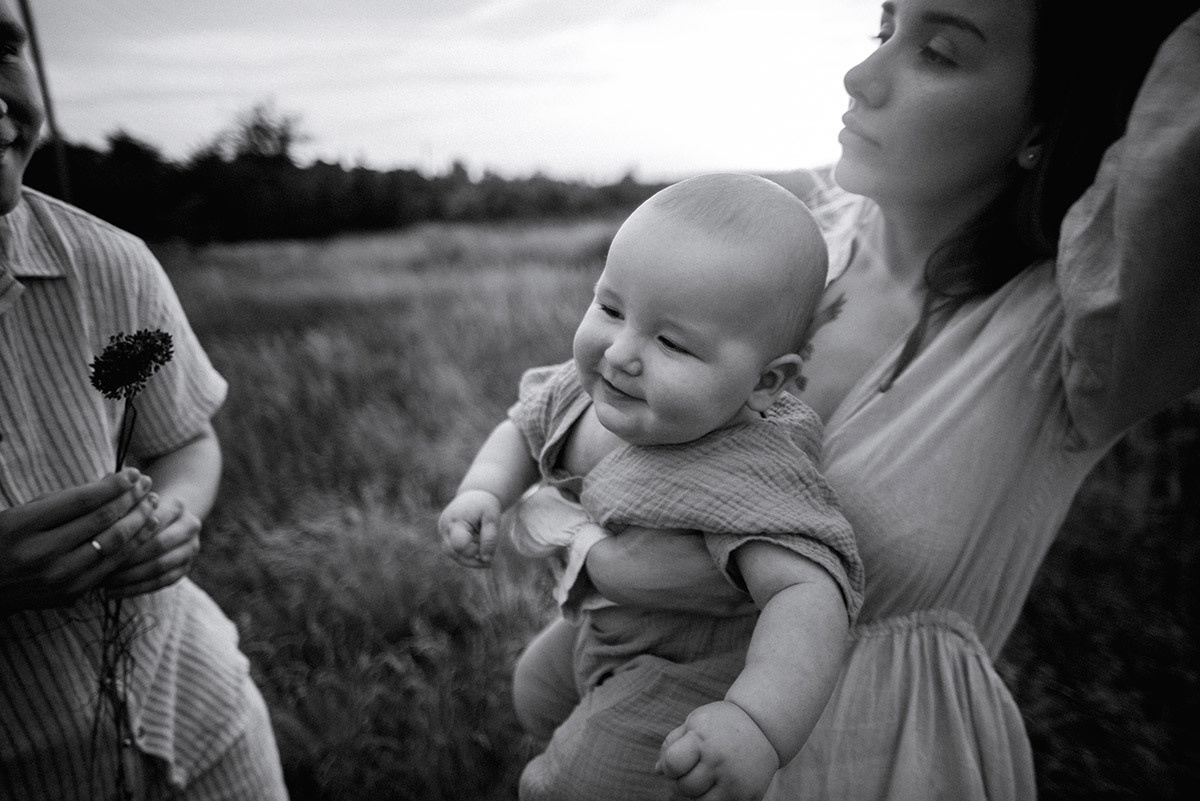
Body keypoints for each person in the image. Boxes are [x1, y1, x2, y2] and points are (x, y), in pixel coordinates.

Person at [510, 1, 1200, 799]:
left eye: (938, 52)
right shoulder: (784, 264)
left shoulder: (1079, 337)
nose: (860, 76)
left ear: (1044, 121)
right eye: (884, 29)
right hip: (627, 737)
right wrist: (591, 551)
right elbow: (575, 433)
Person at [439, 173, 865, 800]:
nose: (619, 353)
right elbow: (522, 429)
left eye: (670, 342)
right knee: (534, 691)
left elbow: (810, 592)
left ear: (765, 384)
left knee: (571, 787)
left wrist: (757, 723)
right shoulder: (577, 391)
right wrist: (484, 492)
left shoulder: (748, 463)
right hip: (605, 625)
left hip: (685, 669)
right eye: (610, 309)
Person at [0, 1, 289, 798]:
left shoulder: (110, 266)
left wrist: (171, 515)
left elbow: (184, 440)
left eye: (2, 47)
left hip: (199, 712)